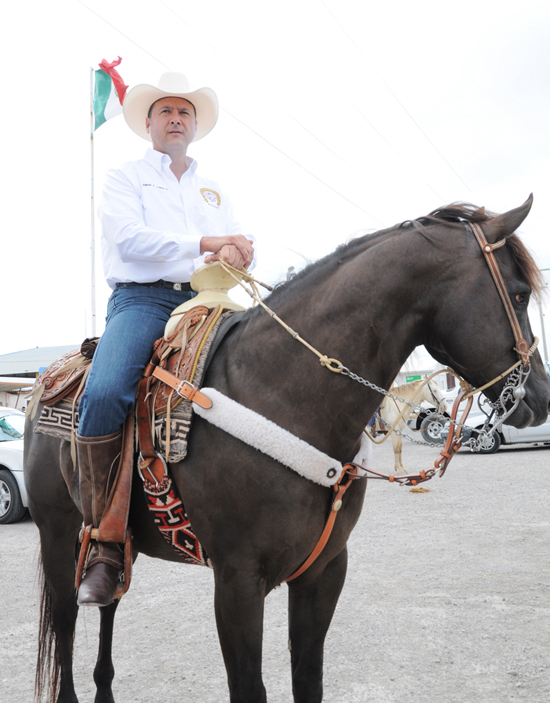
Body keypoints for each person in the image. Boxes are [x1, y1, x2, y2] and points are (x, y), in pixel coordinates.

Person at [76, 72, 255, 607]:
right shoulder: (124, 178)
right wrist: (207, 241)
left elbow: (227, 242)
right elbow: (129, 239)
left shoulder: (213, 187)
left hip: (209, 298)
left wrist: (239, 253)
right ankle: (106, 542)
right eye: (166, 112)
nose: (176, 119)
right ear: (149, 124)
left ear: (194, 125)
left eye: (185, 112)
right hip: (144, 301)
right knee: (106, 393)